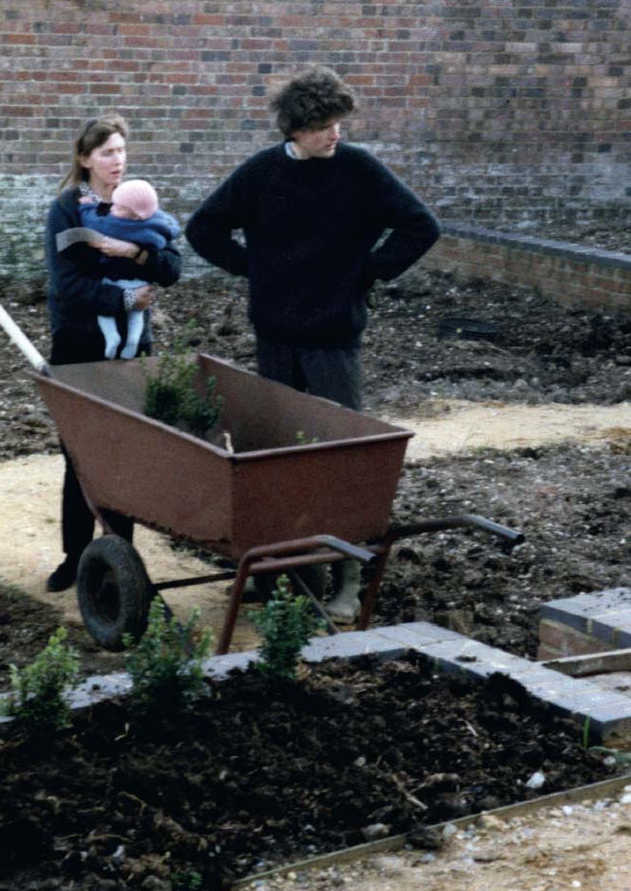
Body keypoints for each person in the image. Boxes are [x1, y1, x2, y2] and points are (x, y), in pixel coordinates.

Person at [186, 67, 440, 622]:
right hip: (276, 337)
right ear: (294, 130)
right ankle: (289, 574)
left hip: (333, 340)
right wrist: (255, 269)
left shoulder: (360, 170)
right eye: (323, 126)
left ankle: (347, 580)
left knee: (343, 458)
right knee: (279, 457)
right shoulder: (261, 174)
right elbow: (203, 227)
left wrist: (366, 273)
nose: (335, 135)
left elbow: (421, 225)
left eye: (338, 124)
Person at [44, 114, 181, 592]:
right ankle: (74, 558)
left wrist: (137, 255)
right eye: (106, 153)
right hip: (79, 347)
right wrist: (123, 299)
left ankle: (119, 558)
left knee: (124, 454)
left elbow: (171, 267)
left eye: (121, 151)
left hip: (131, 353)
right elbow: (66, 284)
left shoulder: (140, 202)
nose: (117, 160)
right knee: (79, 453)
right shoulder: (67, 211)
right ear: (85, 160)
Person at [77, 179, 181, 359]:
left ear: (133, 214)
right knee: (137, 316)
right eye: (108, 153)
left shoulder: (115, 223)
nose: (112, 210)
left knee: (105, 313)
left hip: (115, 280)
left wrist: (86, 206)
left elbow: (92, 223)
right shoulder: (156, 223)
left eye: (117, 208)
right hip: (140, 284)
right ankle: (133, 339)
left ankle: (112, 337)